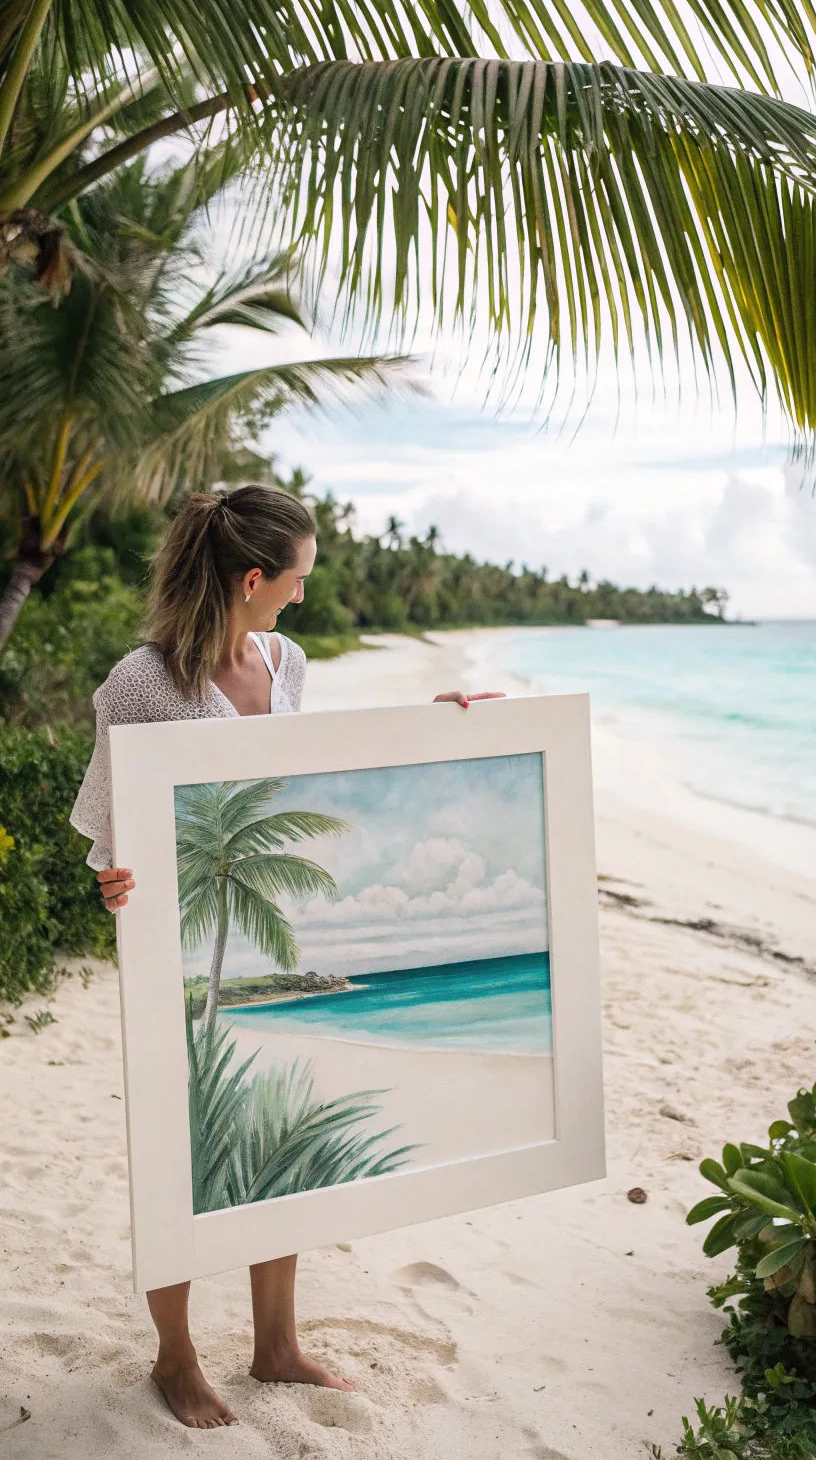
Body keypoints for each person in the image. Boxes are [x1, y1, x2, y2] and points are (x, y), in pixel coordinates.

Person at [69, 484, 503, 1429]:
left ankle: (275, 1344)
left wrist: (447, 730)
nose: (304, 596)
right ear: (253, 577)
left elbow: (310, 772)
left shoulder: (287, 658)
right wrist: (109, 874)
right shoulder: (142, 682)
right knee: (177, 1153)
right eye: (298, 578)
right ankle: (176, 1357)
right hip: (178, 942)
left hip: (266, 930)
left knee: (274, 1137)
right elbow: (107, 820)